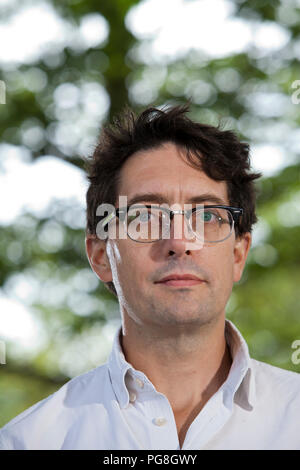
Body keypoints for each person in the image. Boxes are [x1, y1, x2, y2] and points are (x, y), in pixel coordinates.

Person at [0, 105, 299, 450]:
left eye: (207, 215)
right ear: (102, 256)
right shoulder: (28, 442)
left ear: (237, 254)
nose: (179, 242)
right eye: (144, 215)